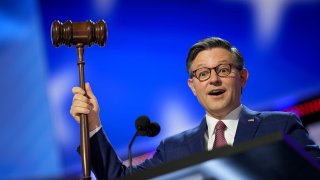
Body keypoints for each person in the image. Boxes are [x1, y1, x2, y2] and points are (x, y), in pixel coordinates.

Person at [70, 37, 320, 179]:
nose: (213, 80)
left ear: (242, 77)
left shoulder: (280, 125)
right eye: (202, 74)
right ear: (192, 86)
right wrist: (92, 125)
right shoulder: (174, 148)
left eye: (223, 70)